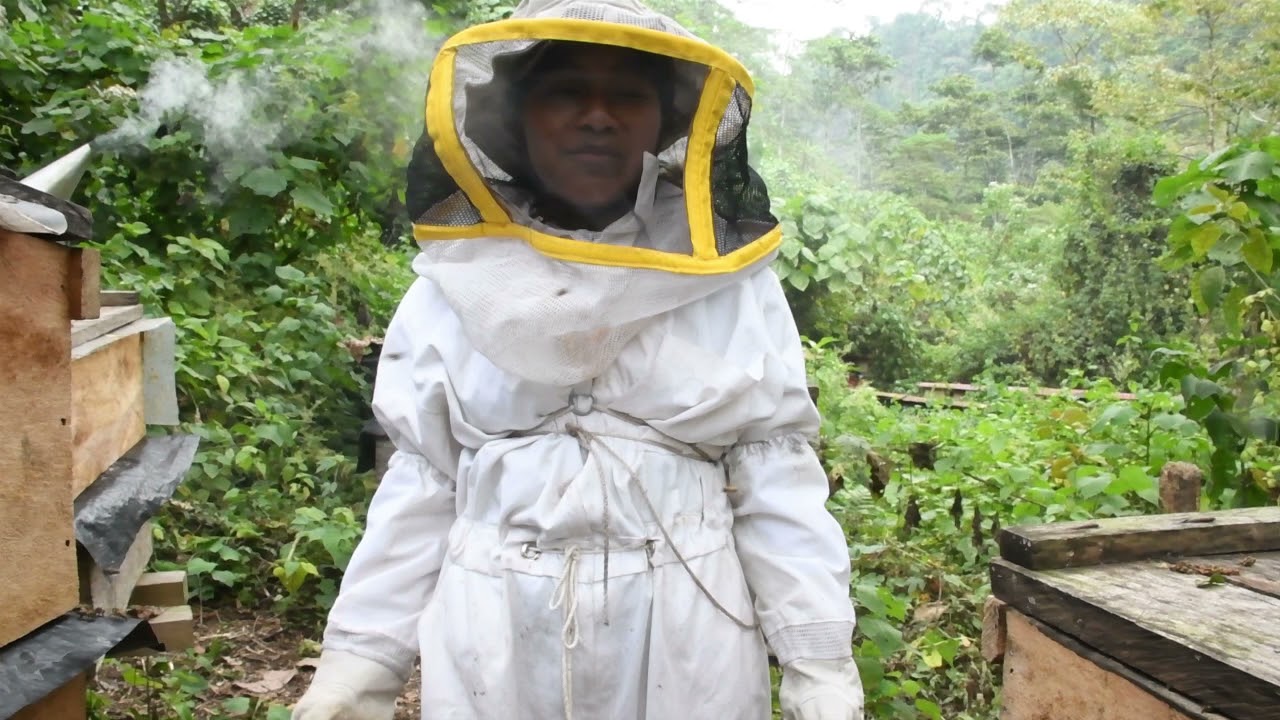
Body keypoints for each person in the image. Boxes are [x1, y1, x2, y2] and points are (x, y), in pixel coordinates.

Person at [291, 0, 865, 718]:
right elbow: (421, 485)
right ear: (517, 115)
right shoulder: (453, 283)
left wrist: (819, 663)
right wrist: (360, 663)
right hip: (492, 635)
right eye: (566, 90)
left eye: (628, 94)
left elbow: (774, 473)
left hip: (690, 631)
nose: (599, 116)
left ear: (664, 121)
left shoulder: (732, 283)